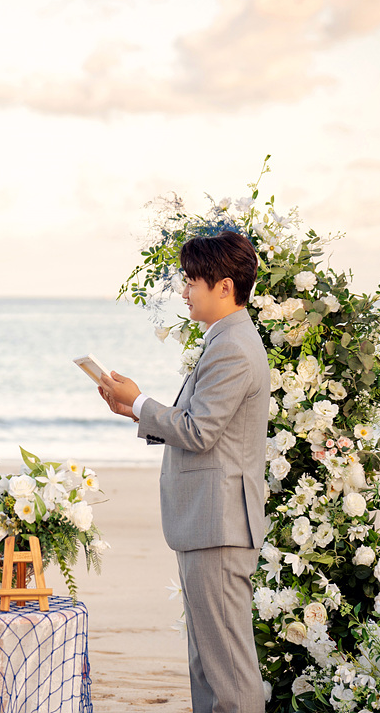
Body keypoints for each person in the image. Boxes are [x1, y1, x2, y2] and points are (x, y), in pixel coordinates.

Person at [98, 230, 268, 713]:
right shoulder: (227, 340)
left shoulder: (233, 346)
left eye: (193, 280)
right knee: (208, 664)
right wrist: (134, 409)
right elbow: (204, 425)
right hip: (209, 524)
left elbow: (199, 431)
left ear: (225, 287)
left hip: (219, 525)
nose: (184, 290)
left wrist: (140, 402)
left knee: (228, 669)